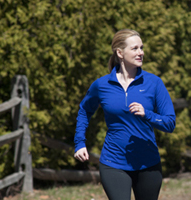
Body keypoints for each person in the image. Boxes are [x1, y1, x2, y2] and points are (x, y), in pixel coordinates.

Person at [73, 29, 176, 200]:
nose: (140, 53)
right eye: (135, 48)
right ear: (120, 53)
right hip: (113, 162)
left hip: (148, 164)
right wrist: (79, 142)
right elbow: (84, 110)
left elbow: (170, 123)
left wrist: (147, 114)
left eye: (141, 48)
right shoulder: (102, 85)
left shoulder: (154, 83)